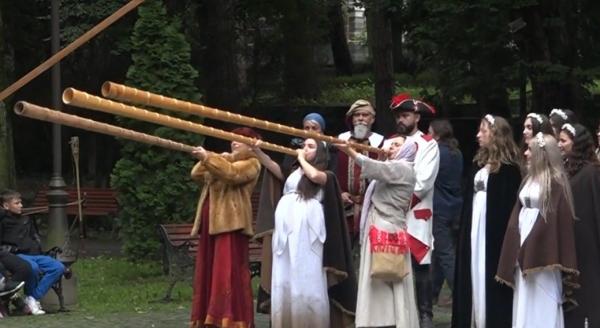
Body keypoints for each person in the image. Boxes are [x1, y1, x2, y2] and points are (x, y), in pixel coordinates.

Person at [252, 138, 357, 327]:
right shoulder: (293, 172)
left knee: (307, 272)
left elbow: (315, 177)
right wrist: (258, 151)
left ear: (321, 153)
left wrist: (301, 158)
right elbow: (272, 166)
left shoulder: (327, 175)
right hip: (286, 226)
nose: (304, 149)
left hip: (308, 229)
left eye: (310, 146)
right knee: (285, 273)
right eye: (303, 146)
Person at [337, 135, 420, 328]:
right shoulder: (395, 167)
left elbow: (376, 169)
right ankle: (378, 320)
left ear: (407, 149)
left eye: (397, 145)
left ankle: (391, 321)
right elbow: (379, 169)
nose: (390, 147)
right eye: (390, 144)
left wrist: (349, 151)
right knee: (377, 279)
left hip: (387, 228)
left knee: (388, 277)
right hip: (381, 225)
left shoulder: (404, 168)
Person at [496, 133, 578, 328]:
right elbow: (518, 211)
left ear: (541, 154)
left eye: (529, 150)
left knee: (541, 293)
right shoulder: (529, 180)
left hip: (543, 247)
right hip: (523, 235)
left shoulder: (555, 183)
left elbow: (553, 221)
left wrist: (532, 244)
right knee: (524, 293)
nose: (525, 153)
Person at [452, 115, 522, 328]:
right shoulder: (478, 163)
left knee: (488, 269)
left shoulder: (509, 170)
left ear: (496, 134)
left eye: (483, 131)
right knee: (473, 267)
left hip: (493, 234)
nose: (478, 135)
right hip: (475, 227)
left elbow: (508, 209)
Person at [189, 127, 262, 328]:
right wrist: (211, 157)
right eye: (232, 139)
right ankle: (207, 318)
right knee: (208, 272)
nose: (234, 142)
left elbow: (232, 175)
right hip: (211, 225)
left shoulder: (252, 163)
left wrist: (210, 158)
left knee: (227, 273)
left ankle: (230, 319)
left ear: (252, 143)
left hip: (231, 225)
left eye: (240, 139)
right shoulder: (223, 161)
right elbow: (195, 173)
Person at [390, 93, 439, 328]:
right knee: (391, 262)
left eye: (406, 115)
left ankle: (425, 313)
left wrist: (394, 202)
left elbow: (422, 183)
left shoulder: (428, 145)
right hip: (391, 214)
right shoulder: (390, 144)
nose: (401, 119)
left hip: (415, 212)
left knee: (420, 263)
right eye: (399, 115)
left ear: (417, 117)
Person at [557, 123, 600, 327]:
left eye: (564, 141)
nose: (559, 144)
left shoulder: (591, 173)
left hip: (587, 242)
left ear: (577, 144)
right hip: (570, 240)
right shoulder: (566, 170)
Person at [0, 190, 65, 316]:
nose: (21, 205)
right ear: (6, 206)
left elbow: (34, 237)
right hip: (16, 255)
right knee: (33, 268)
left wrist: (40, 250)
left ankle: (32, 298)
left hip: (35, 254)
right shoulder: (3, 219)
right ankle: (26, 299)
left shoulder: (26, 218)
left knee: (58, 267)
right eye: (17, 203)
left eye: (21, 203)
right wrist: (5, 211)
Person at [336, 100, 384, 243]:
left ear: (372, 119)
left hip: (371, 206)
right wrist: (339, 192)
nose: (361, 118)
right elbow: (331, 169)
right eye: (357, 115)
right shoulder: (340, 141)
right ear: (352, 118)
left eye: (365, 115)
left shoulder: (380, 143)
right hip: (344, 205)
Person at [428, 119, 463, 306]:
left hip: (440, 207)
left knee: (445, 253)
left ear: (437, 135)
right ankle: (432, 292)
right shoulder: (456, 153)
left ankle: (460, 293)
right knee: (441, 252)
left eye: (430, 132)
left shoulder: (435, 153)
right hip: (455, 206)